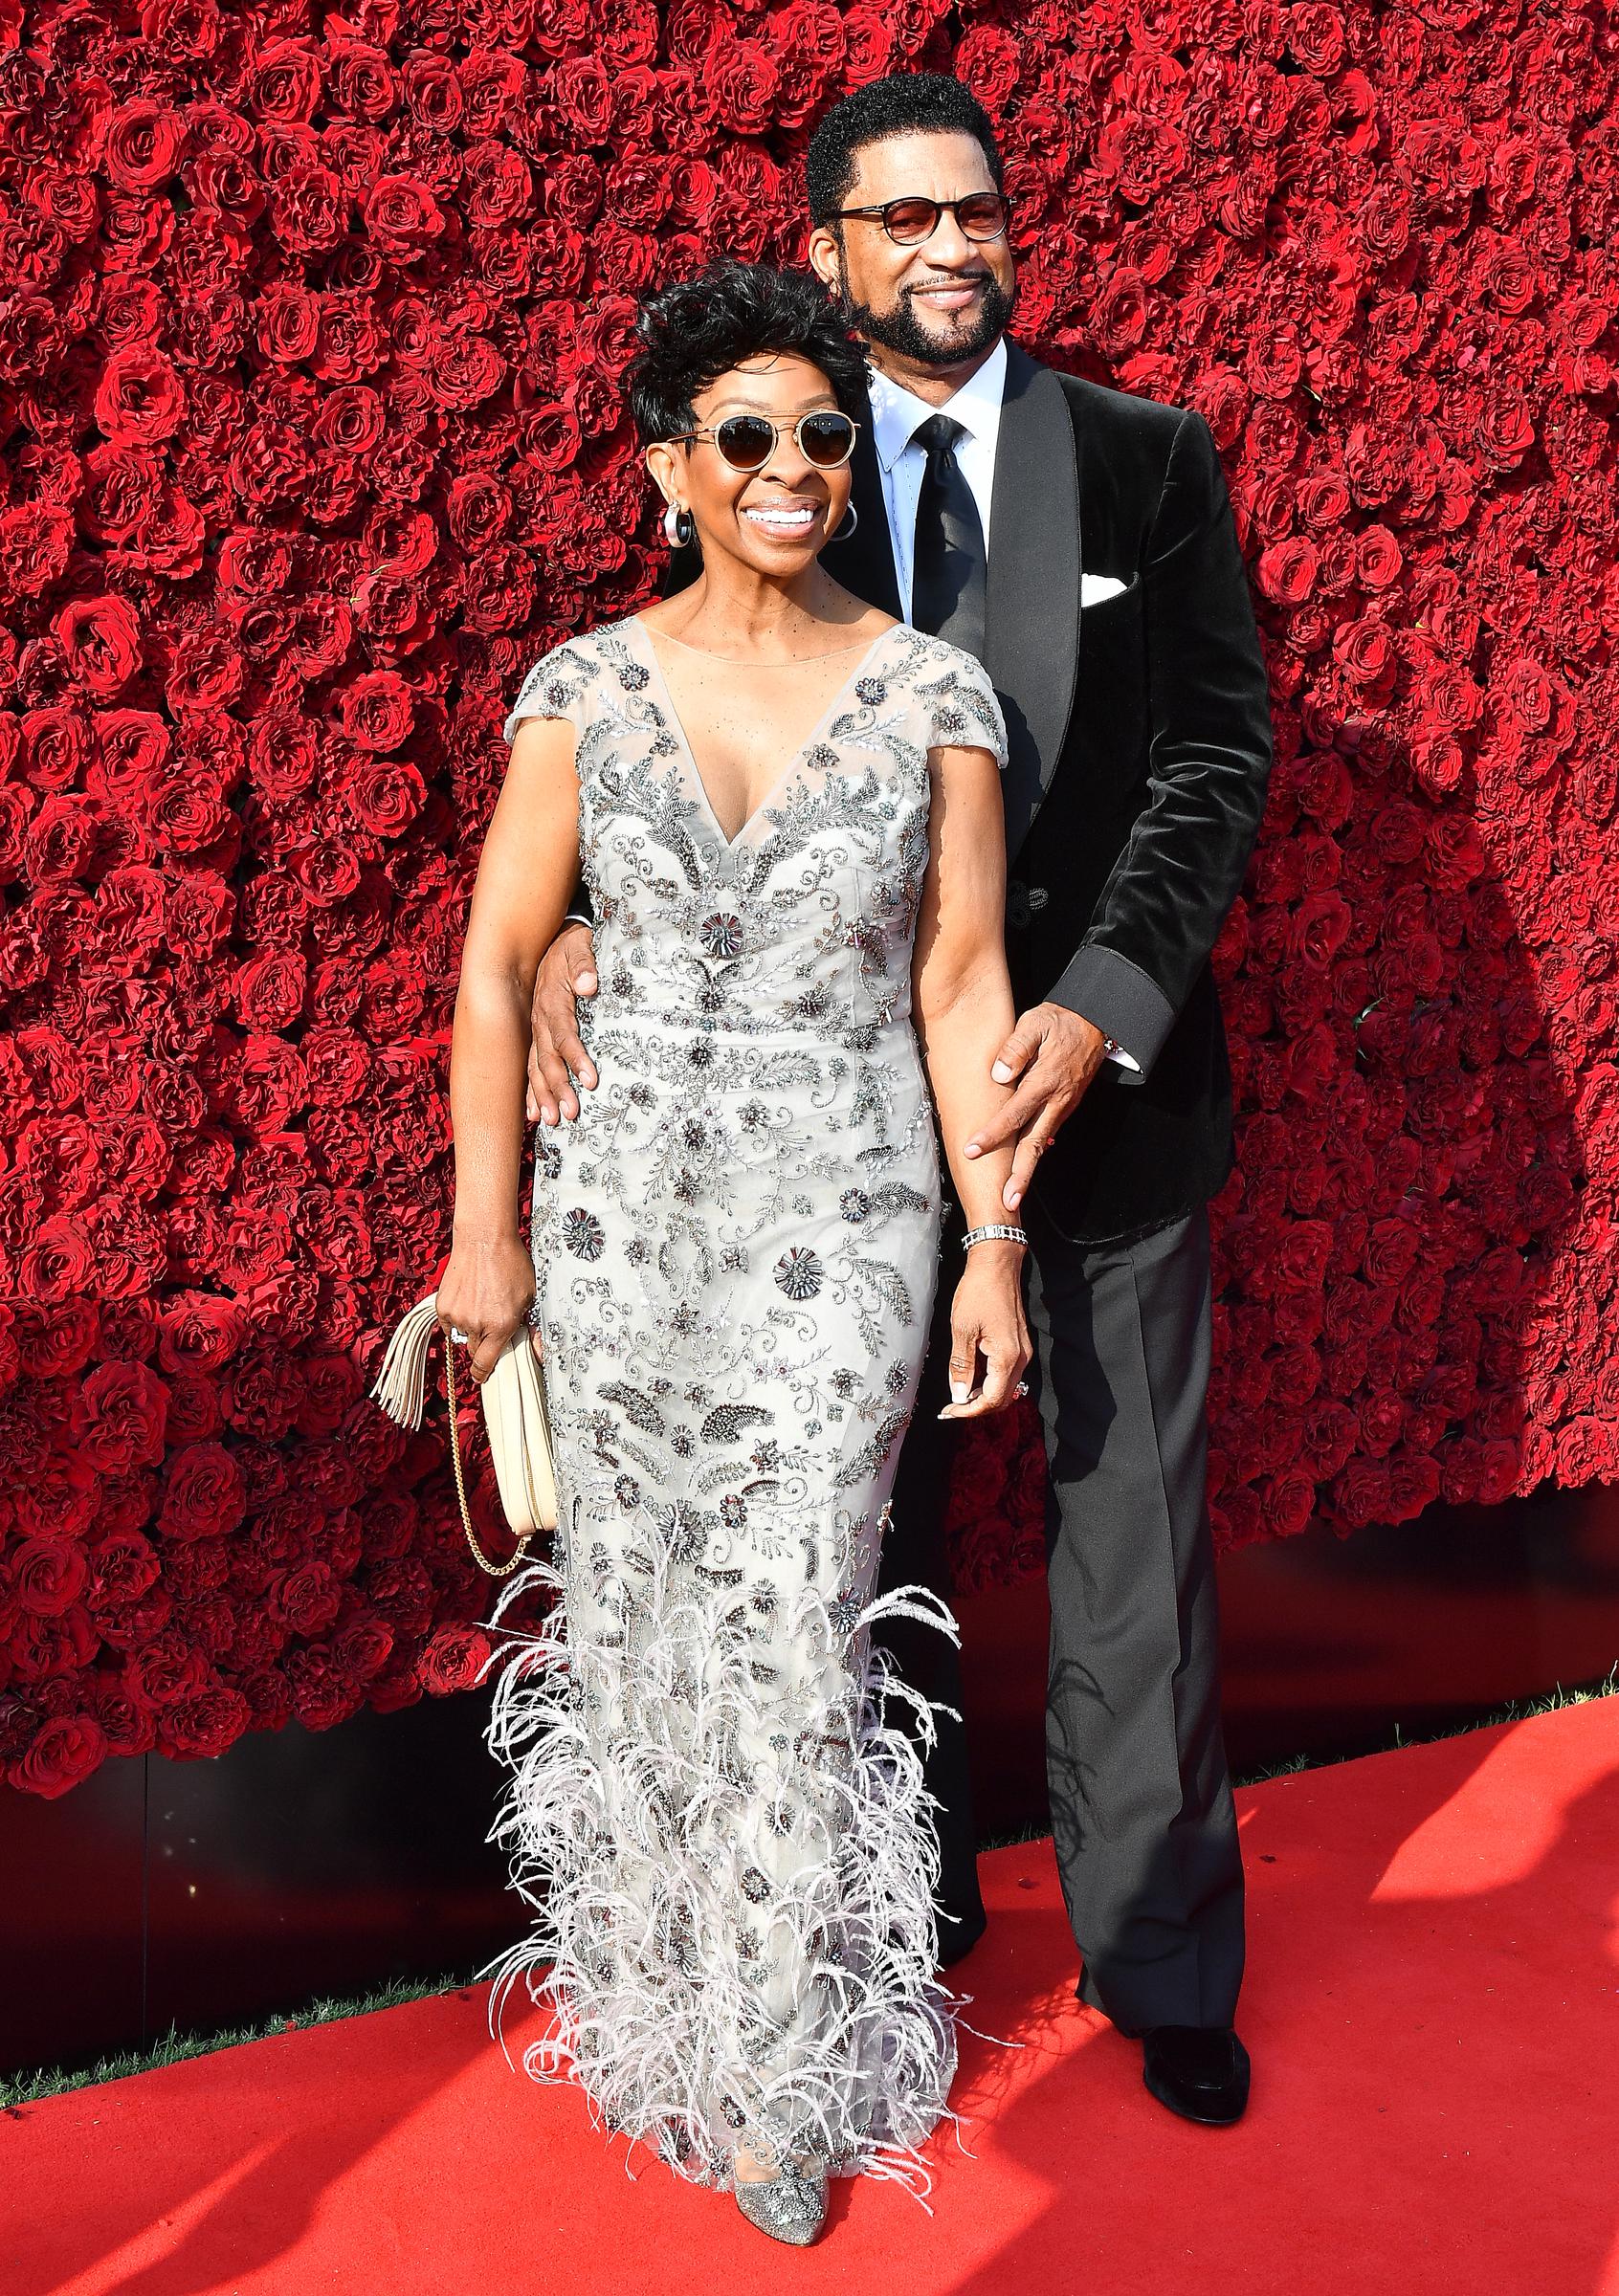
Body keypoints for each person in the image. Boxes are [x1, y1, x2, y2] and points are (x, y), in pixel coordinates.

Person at [527, 75, 1275, 2130]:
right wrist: (592, 927)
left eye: (980, 211)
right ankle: (900, 1918)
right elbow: (672, 705)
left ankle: (1162, 1961)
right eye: (906, 219)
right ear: (834, 250)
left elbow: (1219, 748)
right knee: (869, 1544)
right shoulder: (771, 449)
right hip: (821, 1150)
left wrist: (1106, 1001)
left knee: (1131, 1547)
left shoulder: (1142, 459)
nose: (953, 247)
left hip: (1094, 1110)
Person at [437, 258, 1030, 2245]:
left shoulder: (938, 693)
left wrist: (993, 1244)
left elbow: (960, 981)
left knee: (792, 1626)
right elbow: (500, 969)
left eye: (821, 437)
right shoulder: (584, 688)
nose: (792, 469)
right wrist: (483, 1248)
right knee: (641, 1625)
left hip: (844, 1218)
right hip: (617, 1225)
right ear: (669, 466)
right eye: (750, 437)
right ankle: (655, 2016)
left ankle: (780, 2076)